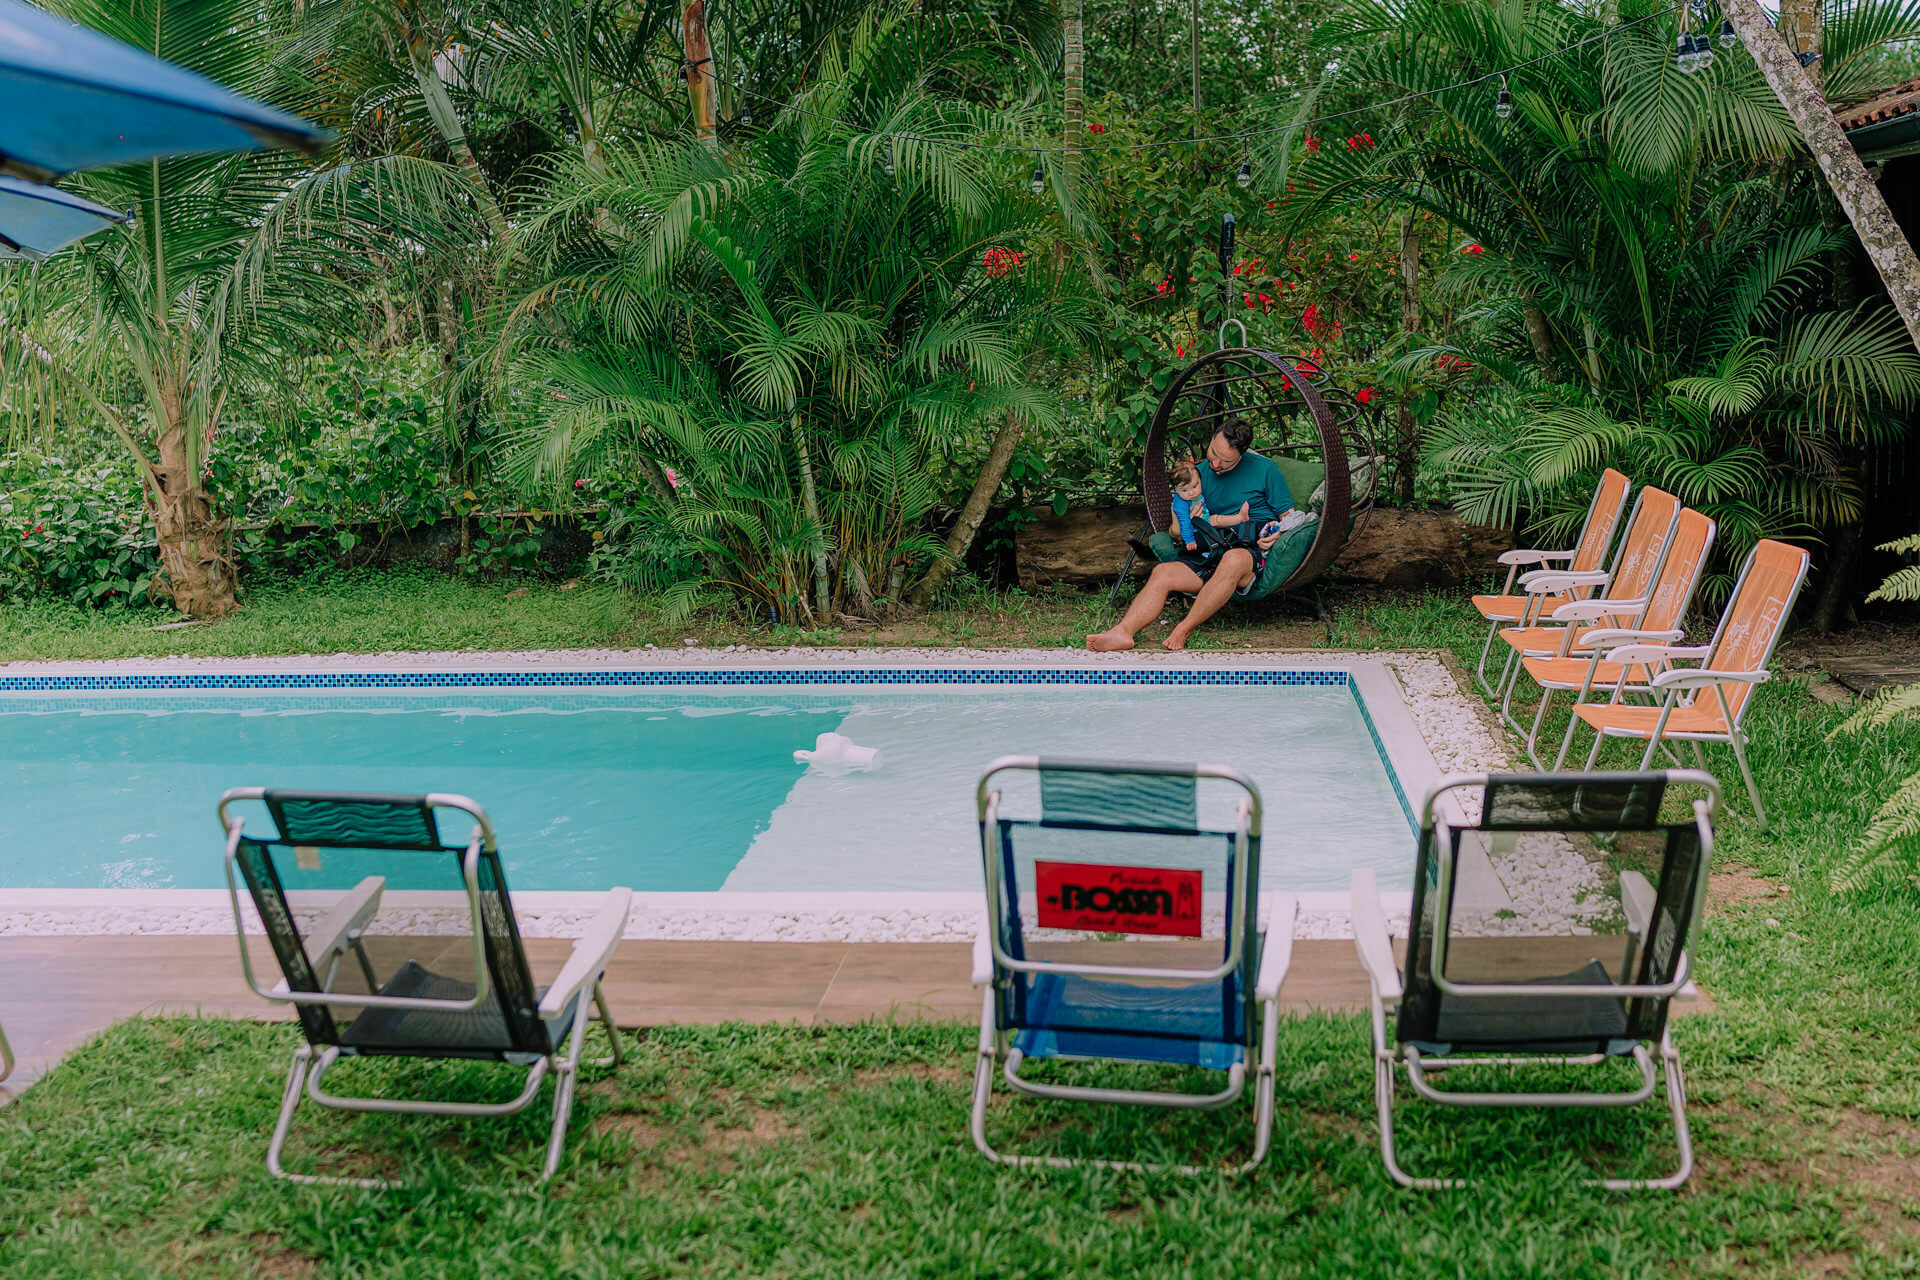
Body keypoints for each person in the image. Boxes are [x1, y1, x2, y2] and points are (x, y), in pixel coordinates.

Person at [1088, 418, 1292, 652]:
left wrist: (1278, 532)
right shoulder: (1196, 475)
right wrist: (1181, 526)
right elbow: (1176, 531)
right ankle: (1123, 632)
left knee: (1234, 558)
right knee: (1163, 572)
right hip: (1212, 550)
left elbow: (1290, 517)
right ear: (1212, 439)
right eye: (1213, 452)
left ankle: (1183, 629)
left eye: (1225, 461)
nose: (1215, 463)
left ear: (1241, 455)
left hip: (1250, 550)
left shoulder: (1265, 470)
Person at [1168, 457, 1251, 552]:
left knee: (1216, 520)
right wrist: (1189, 540)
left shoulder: (1190, 494)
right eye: (1184, 490)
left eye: (1195, 486)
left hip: (1203, 523)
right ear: (1176, 489)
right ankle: (1239, 519)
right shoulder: (1180, 503)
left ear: (1199, 480)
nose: (1191, 493)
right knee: (1216, 521)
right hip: (1196, 531)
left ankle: (1240, 519)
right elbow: (1184, 522)